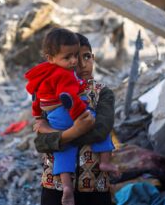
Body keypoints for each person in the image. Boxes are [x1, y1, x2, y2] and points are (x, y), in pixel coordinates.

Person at [25, 29, 115, 205]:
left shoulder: (102, 93)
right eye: (71, 58)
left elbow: (101, 130)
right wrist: (66, 132)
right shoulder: (51, 91)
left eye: (86, 56)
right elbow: (40, 143)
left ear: (94, 58)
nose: (79, 64)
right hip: (55, 187)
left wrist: (60, 135)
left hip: (95, 185)